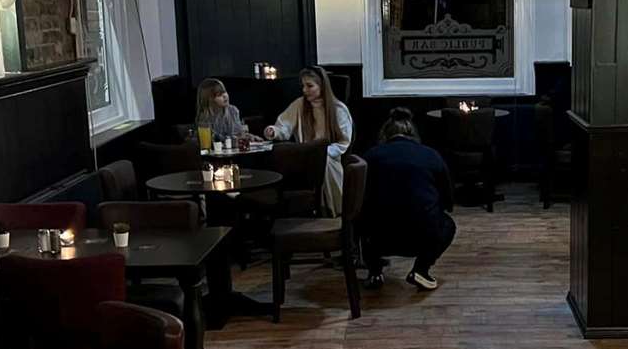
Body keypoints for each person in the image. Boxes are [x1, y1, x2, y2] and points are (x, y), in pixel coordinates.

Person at [359, 108, 455, 292]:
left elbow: (358, 200)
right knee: (448, 225)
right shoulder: (431, 155)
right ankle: (421, 269)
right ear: (413, 133)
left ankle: (374, 272)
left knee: (364, 219)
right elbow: (447, 200)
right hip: (421, 236)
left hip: (380, 236)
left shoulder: (370, 156)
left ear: (385, 134)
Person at [265, 66, 354, 215]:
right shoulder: (300, 105)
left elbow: (343, 141)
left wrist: (322, 153)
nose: (305, 90)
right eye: (303, 86)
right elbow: (284, 125)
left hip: (329, 158)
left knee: (325, 164)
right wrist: (274, 131)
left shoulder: (338, 109)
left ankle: (331, 212)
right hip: (304, 159)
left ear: (322, 86)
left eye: (310, 86)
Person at [194, 78, 246, 143]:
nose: (224, 96)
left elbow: (239, 133)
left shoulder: (233, 110)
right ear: (209, 100)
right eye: (219, 95)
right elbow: (214, 139)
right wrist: (231, 138)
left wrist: (248, 136)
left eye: (224, 92)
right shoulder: (204, 117)